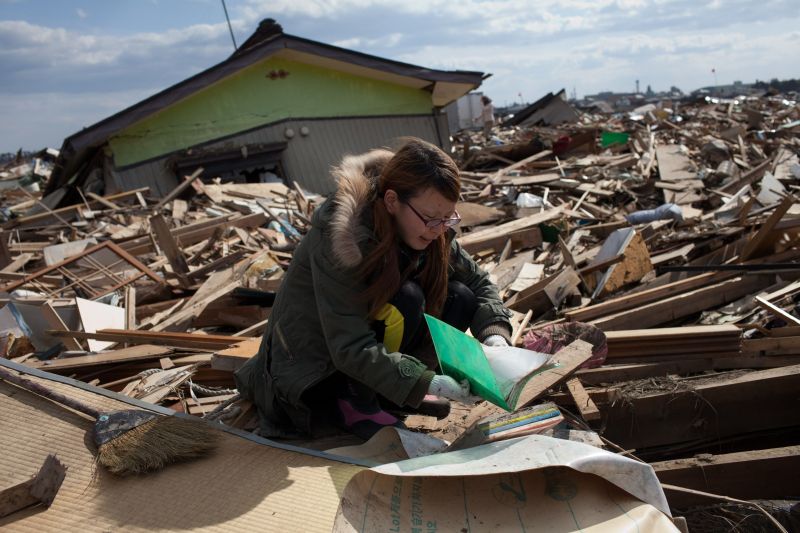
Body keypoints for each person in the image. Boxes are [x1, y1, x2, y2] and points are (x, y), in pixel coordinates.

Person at [235, 138, 513, 440]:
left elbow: (478, 281)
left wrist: (495, 336)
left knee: (461, 296)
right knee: (406, 298)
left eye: (447, 218)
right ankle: (353, 401)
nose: (439, 228)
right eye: (431, 218)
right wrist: (427, 382)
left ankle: (391, 394)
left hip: (362, 351)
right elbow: (349, 344)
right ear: (392, 201)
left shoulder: (432, 225)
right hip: (316, 367)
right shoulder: (342, 238)